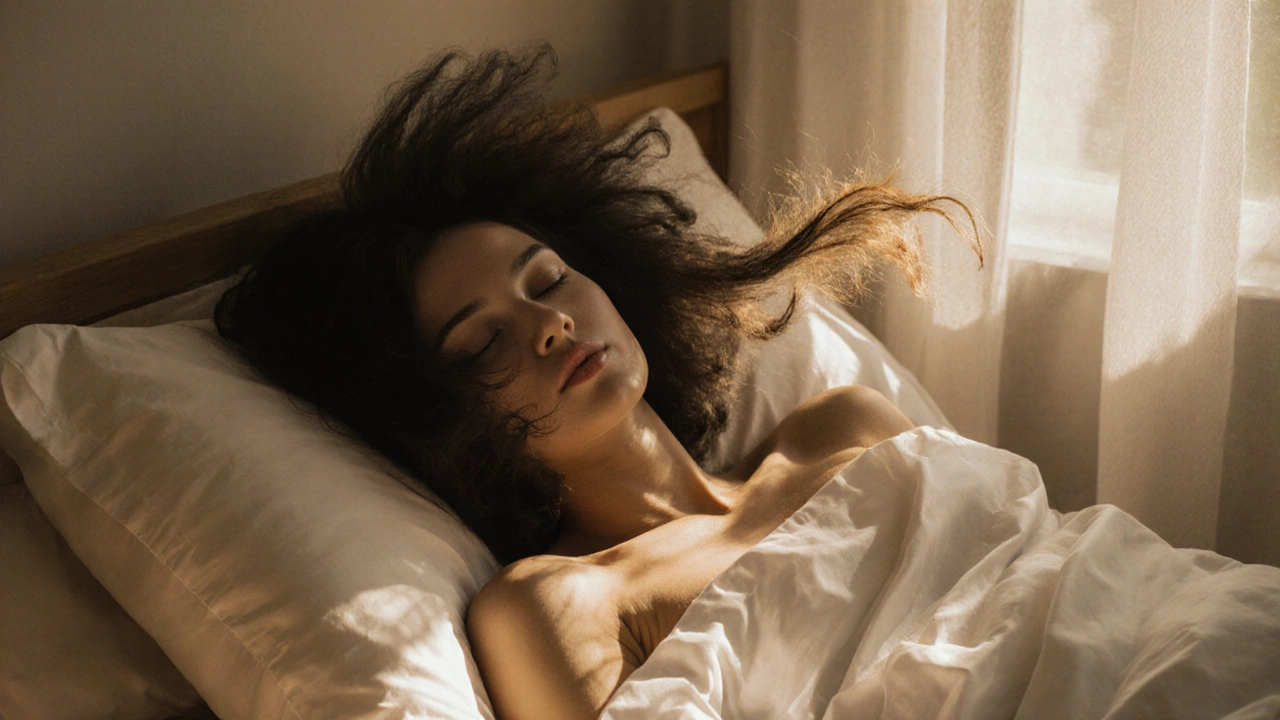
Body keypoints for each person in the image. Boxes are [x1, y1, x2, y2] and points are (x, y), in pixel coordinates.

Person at [215, 46, 978, 719]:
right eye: (483, 343)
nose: (547, 325)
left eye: (546, 280)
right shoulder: (557, 605)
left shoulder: (844, 426)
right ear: (439, 418)